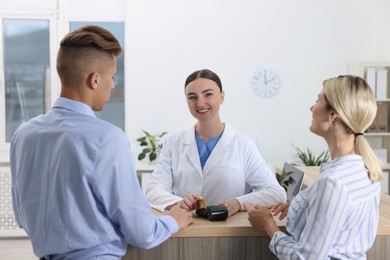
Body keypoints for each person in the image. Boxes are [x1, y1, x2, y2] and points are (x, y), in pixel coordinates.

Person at [10, 25, 193, 259]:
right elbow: (142, 231)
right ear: (95, 80)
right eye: (113, 76)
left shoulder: (23, 134)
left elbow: (22, 217)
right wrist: (173, 221)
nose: (113, 84)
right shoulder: (107, 138)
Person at [244, 75, 384, 259]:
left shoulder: (332, 182)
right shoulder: (365, 169)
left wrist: (268, 225)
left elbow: (306, 258)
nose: (311, 108)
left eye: (317, 101)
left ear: (333, 115)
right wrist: (302, 206)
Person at [145, 69, 286, 217]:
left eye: (208, 94)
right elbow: (153, 189)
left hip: (227, 232)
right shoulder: (173, 143)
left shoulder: (244, 145)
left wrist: (237, 203)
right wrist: (178, 202)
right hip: (184, 228)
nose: (200, 103)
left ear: (221, 96)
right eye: (192, 97)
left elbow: (276, 193)